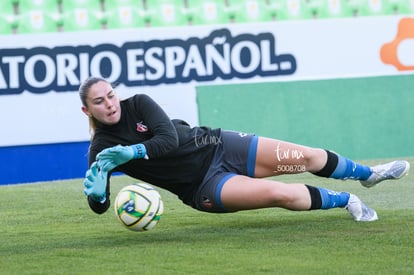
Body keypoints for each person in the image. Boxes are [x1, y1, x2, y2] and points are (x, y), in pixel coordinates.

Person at [79, 76, 410, 222]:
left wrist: (133, 153)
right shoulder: (101, 148)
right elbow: (100, 206)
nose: (110, 103)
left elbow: (170, 139)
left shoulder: (138, 103)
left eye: (110, 94)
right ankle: (348, 200)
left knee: (307, 157)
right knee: (281, 194)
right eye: (99, 101)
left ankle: (370, 174)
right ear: (87, 111)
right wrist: (98, 197)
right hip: (202, 186)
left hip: (220, 144)